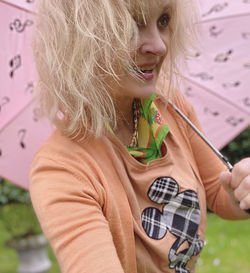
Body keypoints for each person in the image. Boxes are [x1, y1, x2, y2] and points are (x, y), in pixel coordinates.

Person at [29, 0, 250, 272]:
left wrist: (244, 192)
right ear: (80, 36)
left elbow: (219, 193)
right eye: (132, 23)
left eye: (164, 21)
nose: (159, 46)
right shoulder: (61, 169)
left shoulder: (171, 107)